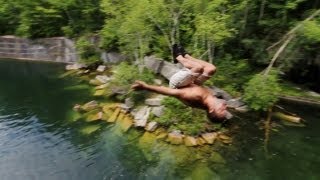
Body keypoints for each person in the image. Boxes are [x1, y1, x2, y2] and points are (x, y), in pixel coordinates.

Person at [131, 44, 228, 121]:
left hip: (177, 85)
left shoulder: (194, 96)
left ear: (211, 109)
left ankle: (178, 56)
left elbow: (171, 92)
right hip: (192, 85)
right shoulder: (212, 100)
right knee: (211, 69)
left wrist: (146, 87)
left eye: (221, 110)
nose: (225, 106)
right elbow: (218, 106)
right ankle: (186, 55)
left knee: (198, 68)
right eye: (225, 110)